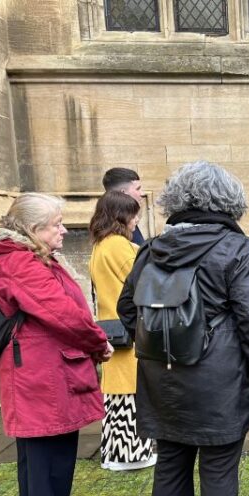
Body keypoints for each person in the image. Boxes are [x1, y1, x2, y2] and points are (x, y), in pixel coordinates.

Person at [117, 161, 249, 496]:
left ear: (178, 201)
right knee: (219, 473)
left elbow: (128, 310)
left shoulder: (150, 249)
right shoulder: (234, 247)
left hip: (160, 380)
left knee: (170, 468)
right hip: (217, 382)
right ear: (228, 201)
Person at [0, 193, 112, 496]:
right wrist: (97, 343)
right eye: (55, 224)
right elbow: (63, 314)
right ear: (32, 229)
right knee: (49, 454)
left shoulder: (20, 258)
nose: (63, 230)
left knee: (38, 454)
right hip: (42, 371)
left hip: (38, 368)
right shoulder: (21, 263)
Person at [88, 191, 156, 471]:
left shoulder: (101, 245)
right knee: (130, 391)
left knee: (118, 392)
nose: (136, 220)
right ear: (121, 216)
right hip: (128, 325)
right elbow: (144, 279)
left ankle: (116, 452)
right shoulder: (118, 245)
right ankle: (131, 454)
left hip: (111, 325)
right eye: (133, 214)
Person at [103, 167, 145, 245]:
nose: (142, 193)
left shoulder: (120, 221)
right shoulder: (117, 230)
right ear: (123, 193)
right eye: (138, 189)